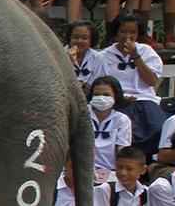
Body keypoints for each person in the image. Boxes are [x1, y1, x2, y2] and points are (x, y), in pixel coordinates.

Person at [103, 14, 165, 159]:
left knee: (157, 128)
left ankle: (147, 162)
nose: (127, 36)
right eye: (123, 32)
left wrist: (136, 56)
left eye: (133, 32)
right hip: (118, 101)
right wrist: (120, 97)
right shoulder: (105, 55)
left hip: (145, 99)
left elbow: (152, 81)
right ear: (116, 33)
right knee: (126, 131)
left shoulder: (147, 51)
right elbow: (103, 83)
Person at [88, 75, 133, 183]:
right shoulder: (82, 115)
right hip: (84, 169)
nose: (101, 98)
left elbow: (122, 151)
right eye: (96, 94)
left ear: (115, 96)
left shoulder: (122, 120)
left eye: (106, 94)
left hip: (111, 172)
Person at [67, 20, 105, 91]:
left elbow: (99, 81)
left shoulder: (98, 57)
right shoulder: (60, 55)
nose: (79, 41)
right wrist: (68, 61)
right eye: (75, 37)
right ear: (69, 38)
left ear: (91, 40)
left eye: (84, 38)